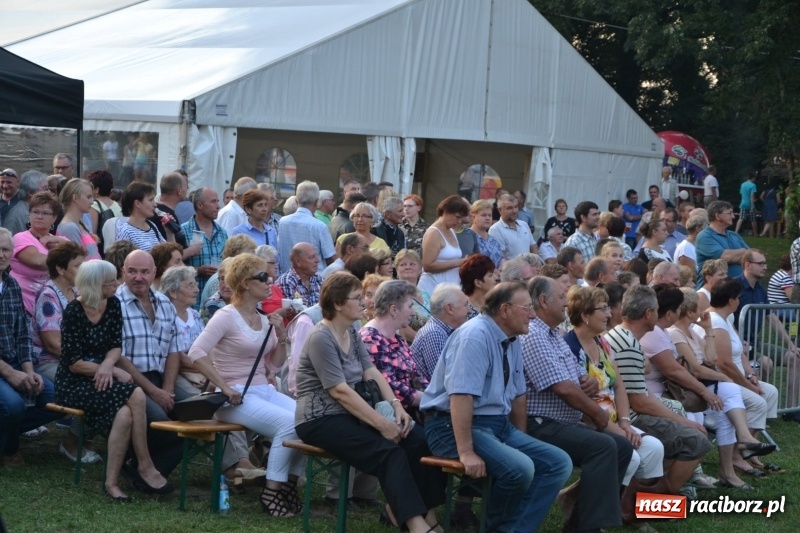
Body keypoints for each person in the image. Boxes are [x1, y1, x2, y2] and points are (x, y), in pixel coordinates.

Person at [293, 271, 445, 532]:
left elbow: (371, 372)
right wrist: (381, 424)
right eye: (357, 298)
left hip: (349, 413)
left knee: (420, 442)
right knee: (389, 454)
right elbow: (339, 391)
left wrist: (396, 405)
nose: (365, 303)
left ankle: (426, 514)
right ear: (339, 303)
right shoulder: (321, 337)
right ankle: (416, 524)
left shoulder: (351, 330)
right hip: (320, 419)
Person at [421, 282, 572, 533]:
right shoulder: (474, 336)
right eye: (527, 308)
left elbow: (518, 394)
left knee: (559, 463)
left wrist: (520, 438)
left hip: (495, 424)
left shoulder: (511, 338)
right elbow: (461, 397)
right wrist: (466, 451)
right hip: (451, 426)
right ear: (504, 310)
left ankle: (514, 529)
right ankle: (496, 528)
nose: (533, 315)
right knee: (520, 468)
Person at [188, 253, 305, 516]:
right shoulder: (226, 316)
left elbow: (273, 366)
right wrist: (225, 387)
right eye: (262, 277)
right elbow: (196, 352)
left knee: (307, 419)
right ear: (244, 284)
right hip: (233, 396)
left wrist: (282, 335)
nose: (270, 281)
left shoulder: (265, 318)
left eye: (269, 276)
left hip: (262, 389)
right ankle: (272, 492)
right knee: (288, 424)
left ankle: (289, 486)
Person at [57, 260, 173, 501]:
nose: (117, 284)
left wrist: (110, 365)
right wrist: (109, 370)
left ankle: (111, 484)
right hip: (75, 382)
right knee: (136, 393)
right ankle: (145, 464)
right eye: (111, 282)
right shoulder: (73, 312)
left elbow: (115, 346)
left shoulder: (112, 304)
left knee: (125, 414)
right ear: (96, 284)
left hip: (103, 376)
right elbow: (73, 363)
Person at [522, 279, 633, 532]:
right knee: (604, 446)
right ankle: (588, 528)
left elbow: (578, 380)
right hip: (540, 423)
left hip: (564, 422)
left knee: (621, 446)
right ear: (543, 301)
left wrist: (590, 384)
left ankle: (580, 525)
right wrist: (596, 413)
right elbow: (563, 388)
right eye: (561, 297)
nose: (565, 303)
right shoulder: (535, 335)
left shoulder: (553, 335)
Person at [562, 285, 666, 526]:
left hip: (613, 421)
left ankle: (621, 510)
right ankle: (585, 520)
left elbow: (618, 385)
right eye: (603, 309)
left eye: (609, 307)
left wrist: (625, 422)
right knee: (629, 455)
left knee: (652, 449)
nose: (610, 314)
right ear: (585, 316)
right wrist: (618, 431)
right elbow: (580, 404)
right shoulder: (570, 348)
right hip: (586, 423)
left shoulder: (601, 343)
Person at [604, 285, 713, 498]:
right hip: (628, 418)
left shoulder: (624, 336)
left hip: (627, 412)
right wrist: (685, 422)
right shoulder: (628, 344)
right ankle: (659, 502)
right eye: (656, 310)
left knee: (685, 426)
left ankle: (649, 498)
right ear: (648, 314)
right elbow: (640, 403)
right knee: (697, 441)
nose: (660, 314)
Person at [160, 265, 265, 482]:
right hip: (177, 374)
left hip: (204, 371)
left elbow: (210, 350)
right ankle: (236, 465)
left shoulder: (194, 316)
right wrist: (206, 370)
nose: (197, 289)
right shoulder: (166, 314)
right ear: (173, 292)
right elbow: (177, 355)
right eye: (190, 285)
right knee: (218, 403)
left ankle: (246, 459)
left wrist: (211, 372)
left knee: (235, 394)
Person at [668, 288, 776, 489]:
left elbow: (711, 359)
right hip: (690, 391)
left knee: (728, 404)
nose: (702, 312)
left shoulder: (691, 331)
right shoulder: (675, 334)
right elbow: (697, 370)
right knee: (729, 393)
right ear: (690, 311)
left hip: (703, 388)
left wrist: (708, 331)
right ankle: (735, 455)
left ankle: (737, 452)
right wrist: (724, 376)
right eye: (698, 308)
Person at [114, 250, 186, 481]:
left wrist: (168, 389)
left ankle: (136, 468)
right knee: (166, 429)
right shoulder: (115, 304)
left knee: (199, 416)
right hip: (129, 382)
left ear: (155, 272)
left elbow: (174, 348)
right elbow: (120, 358)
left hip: (161, 379)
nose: (138, 277)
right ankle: (142, 475)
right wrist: (155, 392)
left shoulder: (165, 302)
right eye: (132, 271)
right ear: (123, 272)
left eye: (145, 272)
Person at [0, 227, 62, 467]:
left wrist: (27, 370)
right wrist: (11, 373)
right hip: (4, 368)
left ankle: (6, 434)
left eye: (6, 249)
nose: (2, 255)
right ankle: (9, 451)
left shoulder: (12, 285)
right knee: (13, 405)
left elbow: (22, 335)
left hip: (15, 361)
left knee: (58, 399)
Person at [708, 278, 781, 473]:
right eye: (738, 298)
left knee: (771, 392)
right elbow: (723, 364)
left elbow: (739, 352)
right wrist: (749, 387)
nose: (740, 301)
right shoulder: (715, 321)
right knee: (758, 401)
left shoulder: (728, 318)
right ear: (731, 300)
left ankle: (748, 451)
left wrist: (750, 375)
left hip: (739, 377)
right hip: (724, 380)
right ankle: (737, 456)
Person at [30, 241, 93, 459]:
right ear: (60, 269)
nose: (82, 270)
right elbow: (53, 344)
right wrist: (84, 362)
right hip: (48, 361)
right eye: (77, 266)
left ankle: (84, 438)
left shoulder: (76, 292)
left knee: (107, 382)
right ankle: (71, 444)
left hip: (72, 358)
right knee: (89, 388)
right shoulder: (49, 295)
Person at [734, 250, 800, 418]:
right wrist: (736, 338)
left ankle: (790, 410)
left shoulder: (760, 290)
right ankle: (758, 409)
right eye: (761, 263)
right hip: (737, 345)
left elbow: (771, 318)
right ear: (747, 265)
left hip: (755, 342)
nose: (765, 267)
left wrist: (791, 345)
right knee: (766, 363)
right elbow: (723, 317)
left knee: (795, 357)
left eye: (765, 263)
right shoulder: (734, 287)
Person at [360, 280, 429, 419]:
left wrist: (434, 395)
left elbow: (416, 375)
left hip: (416, 410)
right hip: (396, 417)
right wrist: (435, 400)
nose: (413, 313)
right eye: (410, 306)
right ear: (393, 310)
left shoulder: (395, 336)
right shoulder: (370, 339)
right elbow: (393, 389)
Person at [11, 191, 66, 314]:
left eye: (45, 213)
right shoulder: (21, 238)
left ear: (54, 217)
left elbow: (80, 256)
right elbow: (39, 261)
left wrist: (57, 240)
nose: (39, 216)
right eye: (35, 212)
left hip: (53, 310)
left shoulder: (59, 240)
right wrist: (64, 257)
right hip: (25, 309)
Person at [410, 283, 470, 382]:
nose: (469, 311)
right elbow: (443, 381)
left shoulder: (444, 330)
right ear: (449, 308)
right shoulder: (434, 333)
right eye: (466, 305)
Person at [278, 181, 336, 275]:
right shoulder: (319, 226)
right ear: (317, 202)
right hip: (313, 282)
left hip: (288, 279)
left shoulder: (282, 222)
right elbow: (331, 258)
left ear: (296, 201)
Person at [181, 187, 227, 305]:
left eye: (218, 201)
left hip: (218, 303)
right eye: (213, 201)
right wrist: (197, 271)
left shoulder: (222, 232)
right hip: (192, 303)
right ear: (200, 205)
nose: (218, 206)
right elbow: (173, 266)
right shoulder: (183, 231)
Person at [418, 195, 469, 295]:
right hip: (431, 289)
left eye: (461, 218)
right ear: (446, 211)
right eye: (457, 217)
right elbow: (427, 265)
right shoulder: (434, 233)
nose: (459, 221)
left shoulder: (451, 231)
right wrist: (458, 263)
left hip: (448, 291)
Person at [199, 234, 257, 310]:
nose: (253, 261)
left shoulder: (244, 277)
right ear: (236, 256)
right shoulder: (217, 281)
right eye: (248, 257)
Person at [696, 201, 749, 283]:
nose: (733, 216)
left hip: (738, 289)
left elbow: (751, 256)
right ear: (717, 215)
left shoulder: (734, 235)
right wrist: (743, 251)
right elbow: (725, 257)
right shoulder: (704, 236)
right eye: (730, 213)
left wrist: (740, 256)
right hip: (714, 291)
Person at [115, 181, 167, 252]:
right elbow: (121, 260)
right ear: (137, 204)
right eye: (151, 200)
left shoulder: (152, 226)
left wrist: (169, 231)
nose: (155, 204)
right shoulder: (126, 232)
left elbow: (168, 254)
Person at [57, 179, 102, 261]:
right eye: (88, 197)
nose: (92, 202)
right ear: (75, 198)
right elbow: (77, 262)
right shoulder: (69, 227)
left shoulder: (80, 223)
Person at [393, 249, 431, 343]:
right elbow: (398, 325)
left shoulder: (425, 295)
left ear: (420, 270)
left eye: (412, 264)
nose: (408, 267)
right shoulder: (394, 295)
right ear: (397, 270)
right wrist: (424, 341)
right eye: (403, 264)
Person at [489, 194, 538, 259]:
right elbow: (501, 258)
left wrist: (535, 264)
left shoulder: (524, 225)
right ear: (500, 210)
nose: (514, 211)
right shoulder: (495, 230)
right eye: (510, 208)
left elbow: (533, 247)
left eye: (516, 207)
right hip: (511, 269)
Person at [87, 169, 124, 253]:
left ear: (96, 189)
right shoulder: (117, 205)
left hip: (103, 251)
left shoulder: (94, 206)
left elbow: (93, 233)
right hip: (118, 250)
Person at [277, 243, 323, 307]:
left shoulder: (318, 278)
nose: (317, 260)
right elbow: (294, 313)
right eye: (312, 257)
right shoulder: (287, 281)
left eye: (316, 256)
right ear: (298, 262)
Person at [460, 253, 499, 320]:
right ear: (478, 283)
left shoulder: (497, 303)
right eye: (490, 275)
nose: (496, 278)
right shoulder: (465, 311)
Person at [470, 199, 504, 268]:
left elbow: (501, 259)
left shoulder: (493, 239)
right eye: (483, 215)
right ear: (473, 217)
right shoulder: (468, 237)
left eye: (489, 215)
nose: (487, 218)